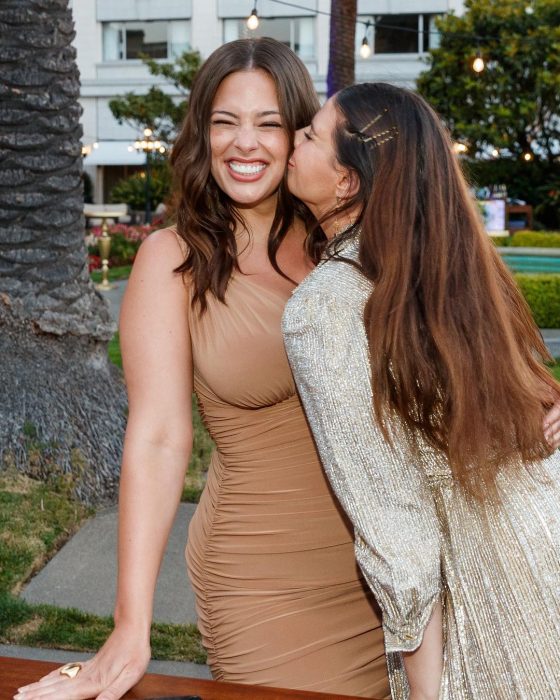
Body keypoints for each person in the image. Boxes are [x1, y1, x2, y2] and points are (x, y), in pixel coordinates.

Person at [15, 42, 391, 700]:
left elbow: (445, 346)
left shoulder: (351, 244)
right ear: (201, 132)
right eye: (225, 121)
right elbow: (159, 438)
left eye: (269, 122)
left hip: (390, 574)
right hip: (263, 580)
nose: (244, 143)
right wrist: (131, 625)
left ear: (301, 136)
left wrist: (536, 396)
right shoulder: (174, 259)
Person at [283, 81, 560, 699]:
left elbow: (393, 522)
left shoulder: (325, 306)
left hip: (493, 586)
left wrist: (427, 689)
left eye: (308, 136)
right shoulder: (446, 268)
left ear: (348, 181)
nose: (291, 144)